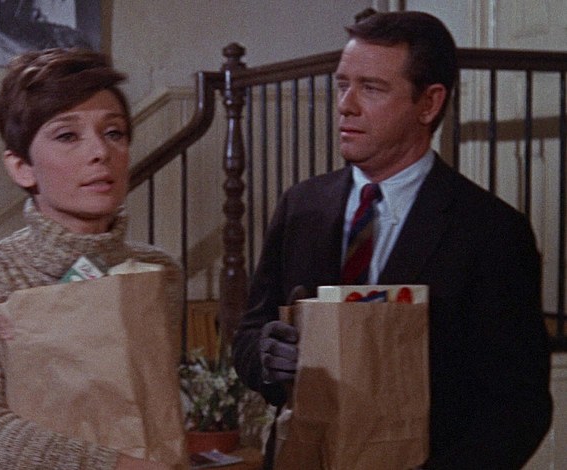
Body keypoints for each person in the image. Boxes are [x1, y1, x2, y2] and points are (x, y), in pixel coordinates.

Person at [232, 10, 553, 469]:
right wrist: (266, 356)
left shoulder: (492, 232)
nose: (346, 105)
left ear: (429, 103)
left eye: (371, 88)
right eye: (342, 84)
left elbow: (520, 408)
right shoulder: (300, 205)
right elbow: (249, 333)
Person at [0, 48, 181, 470]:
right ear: (22, 167)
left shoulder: (158, 272)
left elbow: (156, 413)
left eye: (114, 132)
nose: (100, 152)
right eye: (68, 136)